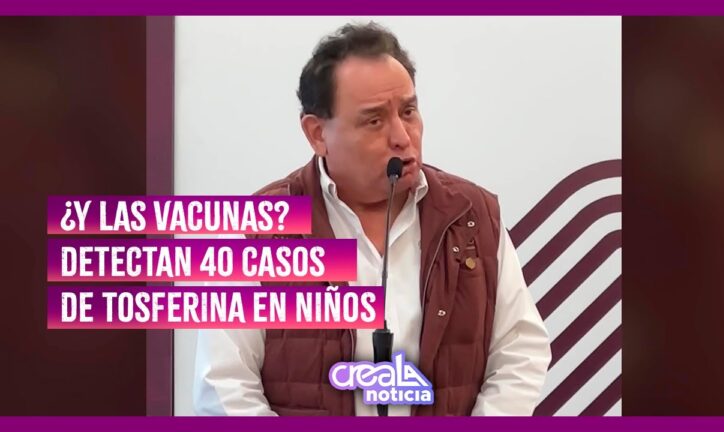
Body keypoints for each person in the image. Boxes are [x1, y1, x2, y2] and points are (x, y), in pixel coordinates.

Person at [193, 21, 551, 416]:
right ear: (317, 134)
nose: (402, 136)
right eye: (374, 120)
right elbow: (224, 388)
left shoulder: (471, 216)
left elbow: (520, 351)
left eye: (408, 111)